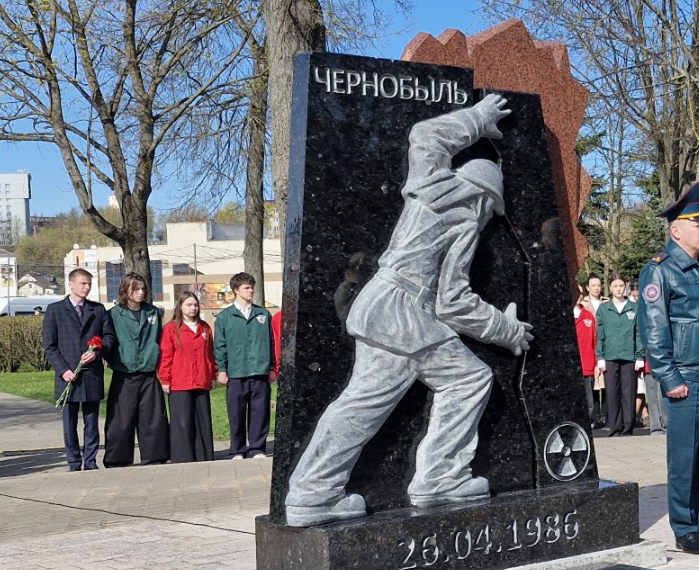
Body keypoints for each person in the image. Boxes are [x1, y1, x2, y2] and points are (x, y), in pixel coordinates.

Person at [281, 94, 533, 525]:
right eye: (491, 208)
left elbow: (425, 135)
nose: (488, 216)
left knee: (361, 404)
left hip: (381, 305)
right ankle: (439, 478)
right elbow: (452, 302)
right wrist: (505, 330)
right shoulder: (466, 219)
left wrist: (476, 118)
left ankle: (313, 493)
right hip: (406, 315)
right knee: (469, 379)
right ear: (485, 198)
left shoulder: (427, 187)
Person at [637, 182, 699, 554]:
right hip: (686, 379)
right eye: (697, 224)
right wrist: (669, 377)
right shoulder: (659, 271)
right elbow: (654, 330)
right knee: (684, 459)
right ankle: (684, 528)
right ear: (676, 231)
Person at [43, 268, 112, 472]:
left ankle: (90, 461)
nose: (87, 287)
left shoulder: (97, 310)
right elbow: (50, 346)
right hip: (68, 376)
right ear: (71, 284)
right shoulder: (55, 310)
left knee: (91, 421)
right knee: (69, 422)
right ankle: (73, 462)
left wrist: (97, 352)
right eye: (83, 283)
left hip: (91, 374)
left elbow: (109, 338)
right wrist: (63, 370)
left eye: (89, 283)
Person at [103, 272, 169, 466]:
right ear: (125, 290)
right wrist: (115, 359)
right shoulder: (113, 314)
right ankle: (117, 460)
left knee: (152, 419)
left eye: (143, 289)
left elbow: (158, 339)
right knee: (121, 421)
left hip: (148, 373)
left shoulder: (153, 313)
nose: (141, 293)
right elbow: (108, 341)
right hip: (124, 374)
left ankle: (155, 457)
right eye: (136, 289)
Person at [214, 272, 274, 460]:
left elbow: (271, 342)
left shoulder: (263, 314)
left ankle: (257, 448)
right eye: (247, 287)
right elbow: (220, 345)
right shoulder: (225, 317)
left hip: (259, 371)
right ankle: (237, 450)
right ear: (236, 290)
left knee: (260, 412)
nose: (251, 290)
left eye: (252, 287)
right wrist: (222, 369)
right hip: (236, 373)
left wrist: (272, 367)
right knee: (236, 414)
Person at [159, 290, 218, 463]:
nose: (193, 308)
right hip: (180, 381)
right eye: (189, 305)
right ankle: (183, 456)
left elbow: (210, 353)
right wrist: (165, 379)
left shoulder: (204, 327)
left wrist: (213, 374)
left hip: (201, 380)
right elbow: (166, 355)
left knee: (202, 420)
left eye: (195, 305)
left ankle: (204, 455)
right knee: (182, 421)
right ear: (180, 307)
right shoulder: (171, 328)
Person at [596, 276, 641, 436]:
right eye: (614, 286)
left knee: (629, 393)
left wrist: (640, 356)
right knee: (612, 393)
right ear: (610, 288)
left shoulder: (634, 308)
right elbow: (600, 335)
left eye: (621, 285)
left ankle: (628, 428)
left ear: (625, 287)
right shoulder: (603, 309)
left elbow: (639, 333)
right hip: (610, 356)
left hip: (629, 357)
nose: (618, 288)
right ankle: (615, 428)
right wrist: (600, 357)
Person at [573, 285, 598, 423]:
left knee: (589, 401)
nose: (579, 296)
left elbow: (595, 341)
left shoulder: (588, 316)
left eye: (581, 293)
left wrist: (596, 363)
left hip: (587, 365)